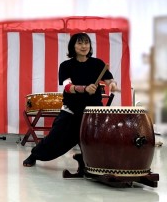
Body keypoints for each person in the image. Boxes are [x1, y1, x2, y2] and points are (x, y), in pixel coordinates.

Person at [23, 32, 117, 168]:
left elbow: (109, 80)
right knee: (55, 138)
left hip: (92, 112)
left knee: (93, 140)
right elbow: (67, 87)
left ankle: (91, 164)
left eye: (86, 43)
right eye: (80, 43)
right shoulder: (66, 65)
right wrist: (84, 89)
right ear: (73, 46)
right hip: (71, 110)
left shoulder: (97, 64)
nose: (84, 46)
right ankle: (35, 155)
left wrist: (112, 84)